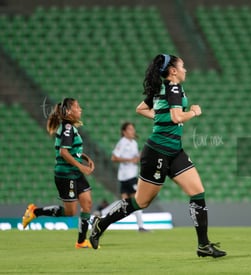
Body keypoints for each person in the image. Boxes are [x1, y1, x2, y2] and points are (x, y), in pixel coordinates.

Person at [89, 54, 226, 257]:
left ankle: (203, 245)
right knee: (140, 202)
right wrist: (195, 112)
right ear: (173, 71)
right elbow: (177, 116)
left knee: (197, 192)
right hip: (157, 153)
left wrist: (159, 115)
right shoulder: (173, 87)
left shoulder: (163, 88)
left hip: (174, 151)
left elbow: (141, 109)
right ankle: (102, 223)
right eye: (183, 66)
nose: (185, 69)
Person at [22, 98, 95, 248]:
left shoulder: (70, 127)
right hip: (66, 174)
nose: (80, 109)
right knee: (70, 212)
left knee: (87, 203)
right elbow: (64, 153)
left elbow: (71, 151)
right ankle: (35, 211)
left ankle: (81, 242)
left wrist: (85, 158)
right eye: (77, 107)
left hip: (74, 172)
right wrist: (82, 167)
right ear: (69, 112)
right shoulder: (67, 128)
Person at [111, 121, 148, 232]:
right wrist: (129, 160)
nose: (133, 131)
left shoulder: (134, 143)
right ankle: (141, 226)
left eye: (133, 129)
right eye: (130, 129)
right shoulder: (123, 142)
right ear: (124, 132)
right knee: (137, 200)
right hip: (126, 176)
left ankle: (102, 214)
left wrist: (140, 156)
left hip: (130, 175)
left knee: (125, 203)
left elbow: (135, 159)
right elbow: (114, 158)